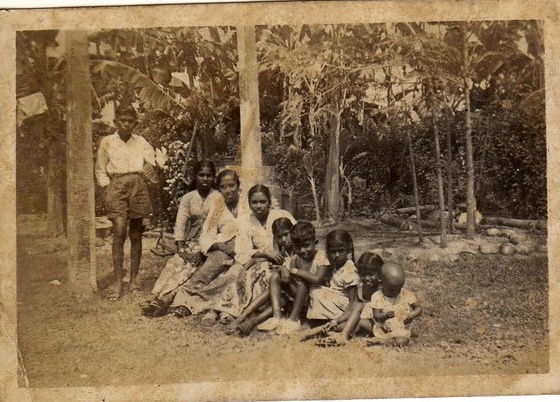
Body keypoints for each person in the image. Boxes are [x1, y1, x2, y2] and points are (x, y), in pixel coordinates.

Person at [203, 184, 296, 324]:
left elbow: (298, 236)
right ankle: (220, 309)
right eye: (254, 202)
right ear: (249, 203)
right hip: (258, 259)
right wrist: (265, 253)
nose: (259, 206)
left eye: (263, 202)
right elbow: (242, 251)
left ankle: (228, 310)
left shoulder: (282, 215)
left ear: (269, 202)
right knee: (238, 275)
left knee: (259, 282)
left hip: (283, 262)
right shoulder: (245, 221)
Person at [141, 159, 221, 317]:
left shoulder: (219, 198)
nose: (205, 179)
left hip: (210, 243)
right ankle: (154, 297)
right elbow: (180, 225)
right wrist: (180, 248)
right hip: (191, 241)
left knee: (193, 266)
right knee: (177, 261)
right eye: (201, 175)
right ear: (195, 176)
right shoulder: (188, 198)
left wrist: (204, 250)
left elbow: (216, 227)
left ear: (214, 177)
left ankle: (166, 299)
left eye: (209, 175)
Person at [95, 102, 156, 300]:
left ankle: (134, 280)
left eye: (131, 121)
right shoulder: (107, 142)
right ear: (116, 122)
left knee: (136, 234)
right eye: (123, 120)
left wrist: (154, 165)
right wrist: (108, 187)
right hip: (116, 185)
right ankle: (117, 282)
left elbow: (152, 162)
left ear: (135, 123)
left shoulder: (141, 142)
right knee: (119, 231)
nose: (127, 124)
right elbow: (100, 169)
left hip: (137, 185)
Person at [164, 169, 243, 319]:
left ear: (238, 185)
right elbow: (206, 233)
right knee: (207, 270)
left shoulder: (248, 204)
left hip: (245, 248)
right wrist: (219, 245)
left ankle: (190, 301)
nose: (228, 190)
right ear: (218, 189)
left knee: (230, 275)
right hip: (223, 248)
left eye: (232, 185)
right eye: (223, 187)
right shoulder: (218, 207)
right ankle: (180, 297)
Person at [224, 217, 295, 335]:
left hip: (298, 292)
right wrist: (244, 269)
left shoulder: (299, 249)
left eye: (286, 234)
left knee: (282, 297)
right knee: (275, 292)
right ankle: (242, 318)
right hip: (284, 289)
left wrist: (283, 269)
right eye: (279, 237)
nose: (283, 239)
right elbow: (256, 259)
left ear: (292, 232)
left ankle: (253, 321)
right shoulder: (282, 252)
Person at [303, 252, 384, 346]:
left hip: (377, 325)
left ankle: (335, 335)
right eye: (363, 275)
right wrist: (335, 321)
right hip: (360, 322)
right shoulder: (362, 288)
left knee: (358, 312)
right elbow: (350, 309)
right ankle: (322, 333)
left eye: (371, 275)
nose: (366, 278)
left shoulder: (382, 289)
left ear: (380, 273)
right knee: (340, 324)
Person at [303, 229, 362, 338]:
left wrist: (338, 319)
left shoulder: (349, 269)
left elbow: (353, 302)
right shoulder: (334, 265)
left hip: (346, 308)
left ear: (348, 250)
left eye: (341, 251)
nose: (337, 255)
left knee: (317, 292)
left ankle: (328, 325)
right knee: (315, 289)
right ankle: (322, 322)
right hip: (336, 302)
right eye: (333, 251)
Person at [364, 262, 423, 346]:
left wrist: (413, 314)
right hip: (382, 328)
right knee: (361, 322)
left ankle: (381, 341)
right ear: (381, 281)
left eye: (399, 288)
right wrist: (385, 315)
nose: (396, 292)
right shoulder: (377, 296)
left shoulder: (405, 293)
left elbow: (418, 308)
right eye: (392, 289)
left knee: (402, 341)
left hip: (400, 330)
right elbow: (376, 315)